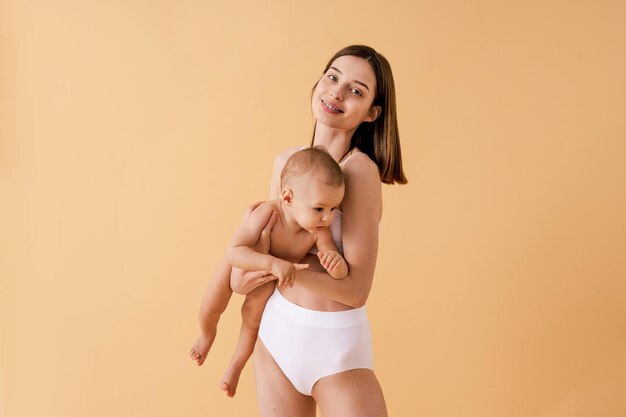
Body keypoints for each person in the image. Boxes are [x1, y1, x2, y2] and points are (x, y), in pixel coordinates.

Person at [229, 45, 407, 417]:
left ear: (373, 112)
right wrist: (250, 271)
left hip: (335, 347)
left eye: (356, 90)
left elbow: (356, 291)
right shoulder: (285, 163)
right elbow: (270, 254)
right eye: (333, 77)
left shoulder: (358, 172)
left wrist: (284, 268)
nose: (337, 93)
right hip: (276, 335)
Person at [190, 147, 349, 397]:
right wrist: (271, 263)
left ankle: (235, 366)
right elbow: (234, 250)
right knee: (212, 304)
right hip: (244, 264)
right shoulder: (268, 212)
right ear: (287, 198)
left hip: (267, 281)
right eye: (319, 209)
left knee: (252, 321)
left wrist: (337, 265)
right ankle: (206, 334)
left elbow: (336, 269)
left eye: (333, 209)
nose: (327, 218)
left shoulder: (318, 231)